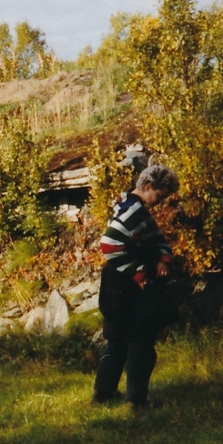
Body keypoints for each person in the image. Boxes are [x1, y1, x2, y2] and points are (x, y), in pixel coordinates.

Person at [93, 163, 180, 408]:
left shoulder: (128, 204)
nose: (160, 201)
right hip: (128, 285)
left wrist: (164, 257)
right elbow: (109, 244)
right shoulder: (135, 211)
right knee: (141, 342)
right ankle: (137, 401)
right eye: (160, 195)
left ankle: (103, 393)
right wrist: (139, 273)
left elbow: (156, 236)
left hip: (115, 283)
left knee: (117, 339)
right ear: (149, 186)